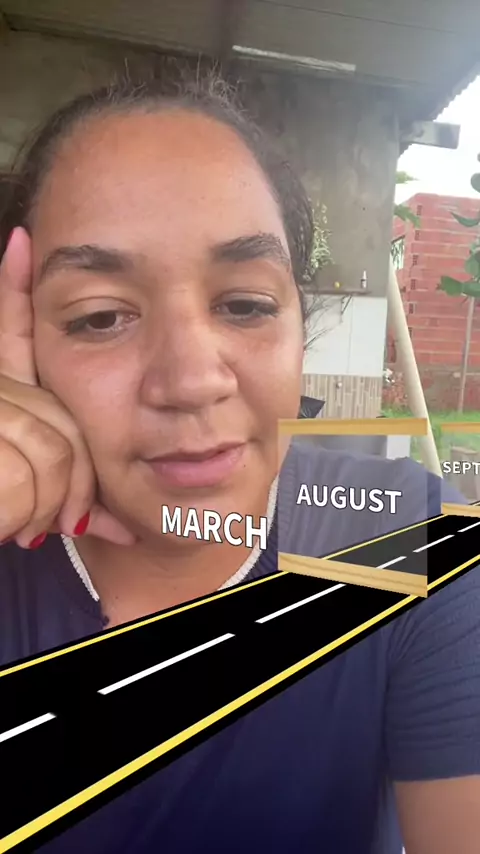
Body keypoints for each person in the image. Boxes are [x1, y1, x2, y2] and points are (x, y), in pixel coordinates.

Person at [0, 71, 479, 854]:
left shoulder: (406, 540)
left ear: (300, 325)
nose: (192, 381)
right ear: (21, 342)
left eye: (246, 305)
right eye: (101, 316)